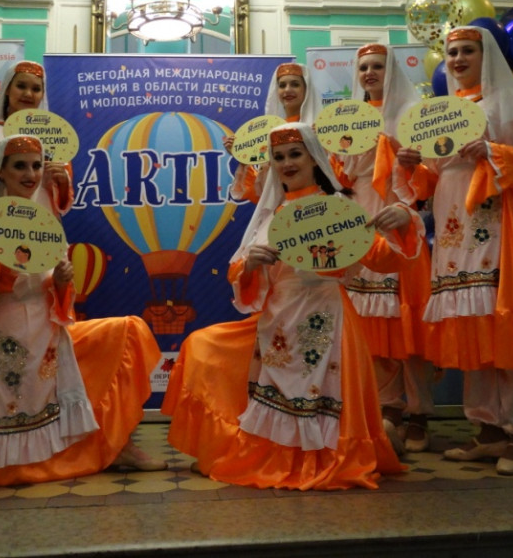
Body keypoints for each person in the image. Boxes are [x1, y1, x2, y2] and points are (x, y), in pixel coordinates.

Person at [161, 122, 421, 490]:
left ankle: (338, 452)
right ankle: (266, 453)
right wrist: (251, 265)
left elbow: (380, 259)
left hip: (327, 317)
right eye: (279, 157)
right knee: (202, 346)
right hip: (277, 319)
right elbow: (238, 270)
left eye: (295, 154)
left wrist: (403, 222)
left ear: (314, 159)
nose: (287, 163)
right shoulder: (271, 213)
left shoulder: (339, 207)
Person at [0, 135, 166, 486]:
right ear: (0, 171)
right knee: (10, 437)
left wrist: (62, 283)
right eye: (20, 166)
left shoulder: (45, 221)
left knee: (126, 330)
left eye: (36, 165)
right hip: (8, 330)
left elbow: (59, 294)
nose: (30, 174)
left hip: (50, 329)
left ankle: (115, 443)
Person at [396, 25, 513, 475]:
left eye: (466, 51)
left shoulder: (507, 99)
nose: (457, 60)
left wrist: (492, 151)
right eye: (451, 52)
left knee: (501, 323)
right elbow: (432, 178)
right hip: (452, 224)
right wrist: (413, 166)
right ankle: (488, 431)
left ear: (485, 54)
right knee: (469, 325)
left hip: (494, 219)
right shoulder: (442, 112)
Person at [342, 43, 436, 456]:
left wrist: (412, 163)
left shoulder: (412, 115)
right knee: (371, 325)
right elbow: (338, 175)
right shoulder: (346, 119)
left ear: (391, 70)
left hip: (400, 216)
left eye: (377, 66)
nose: (369, 72)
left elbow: (432, 182)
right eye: (363, 67)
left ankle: (420, 413)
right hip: (360, 215)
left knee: (407, 323)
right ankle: (387, 407)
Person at [0, 60, 72, 212]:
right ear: (7, 89)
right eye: (21, 86)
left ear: (42, 95)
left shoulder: (54, 137)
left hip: (42, 221)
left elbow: (63, 202)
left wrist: (63, 182)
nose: (28, 94)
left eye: (36, 89)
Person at [227, 62, 312, 202]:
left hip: (316, 206)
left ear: (306, 89)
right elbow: (263, 194)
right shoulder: (270, 132)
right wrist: (243, 157)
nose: (287, 90)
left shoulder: (317, 129)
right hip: (282, 210)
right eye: (282, 85)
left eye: (295, 84)